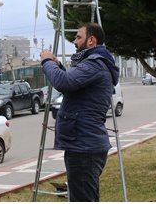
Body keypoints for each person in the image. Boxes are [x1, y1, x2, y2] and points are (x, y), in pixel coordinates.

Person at [39, 22, 120, 202]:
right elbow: (72, 86)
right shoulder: (94, 63)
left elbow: (64, 83)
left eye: (78, 37)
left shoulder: (94, 64)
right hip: (84, 146)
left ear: (91, 40)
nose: (75, 41)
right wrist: (58, 65)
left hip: (85, 148)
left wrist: (46, 61)